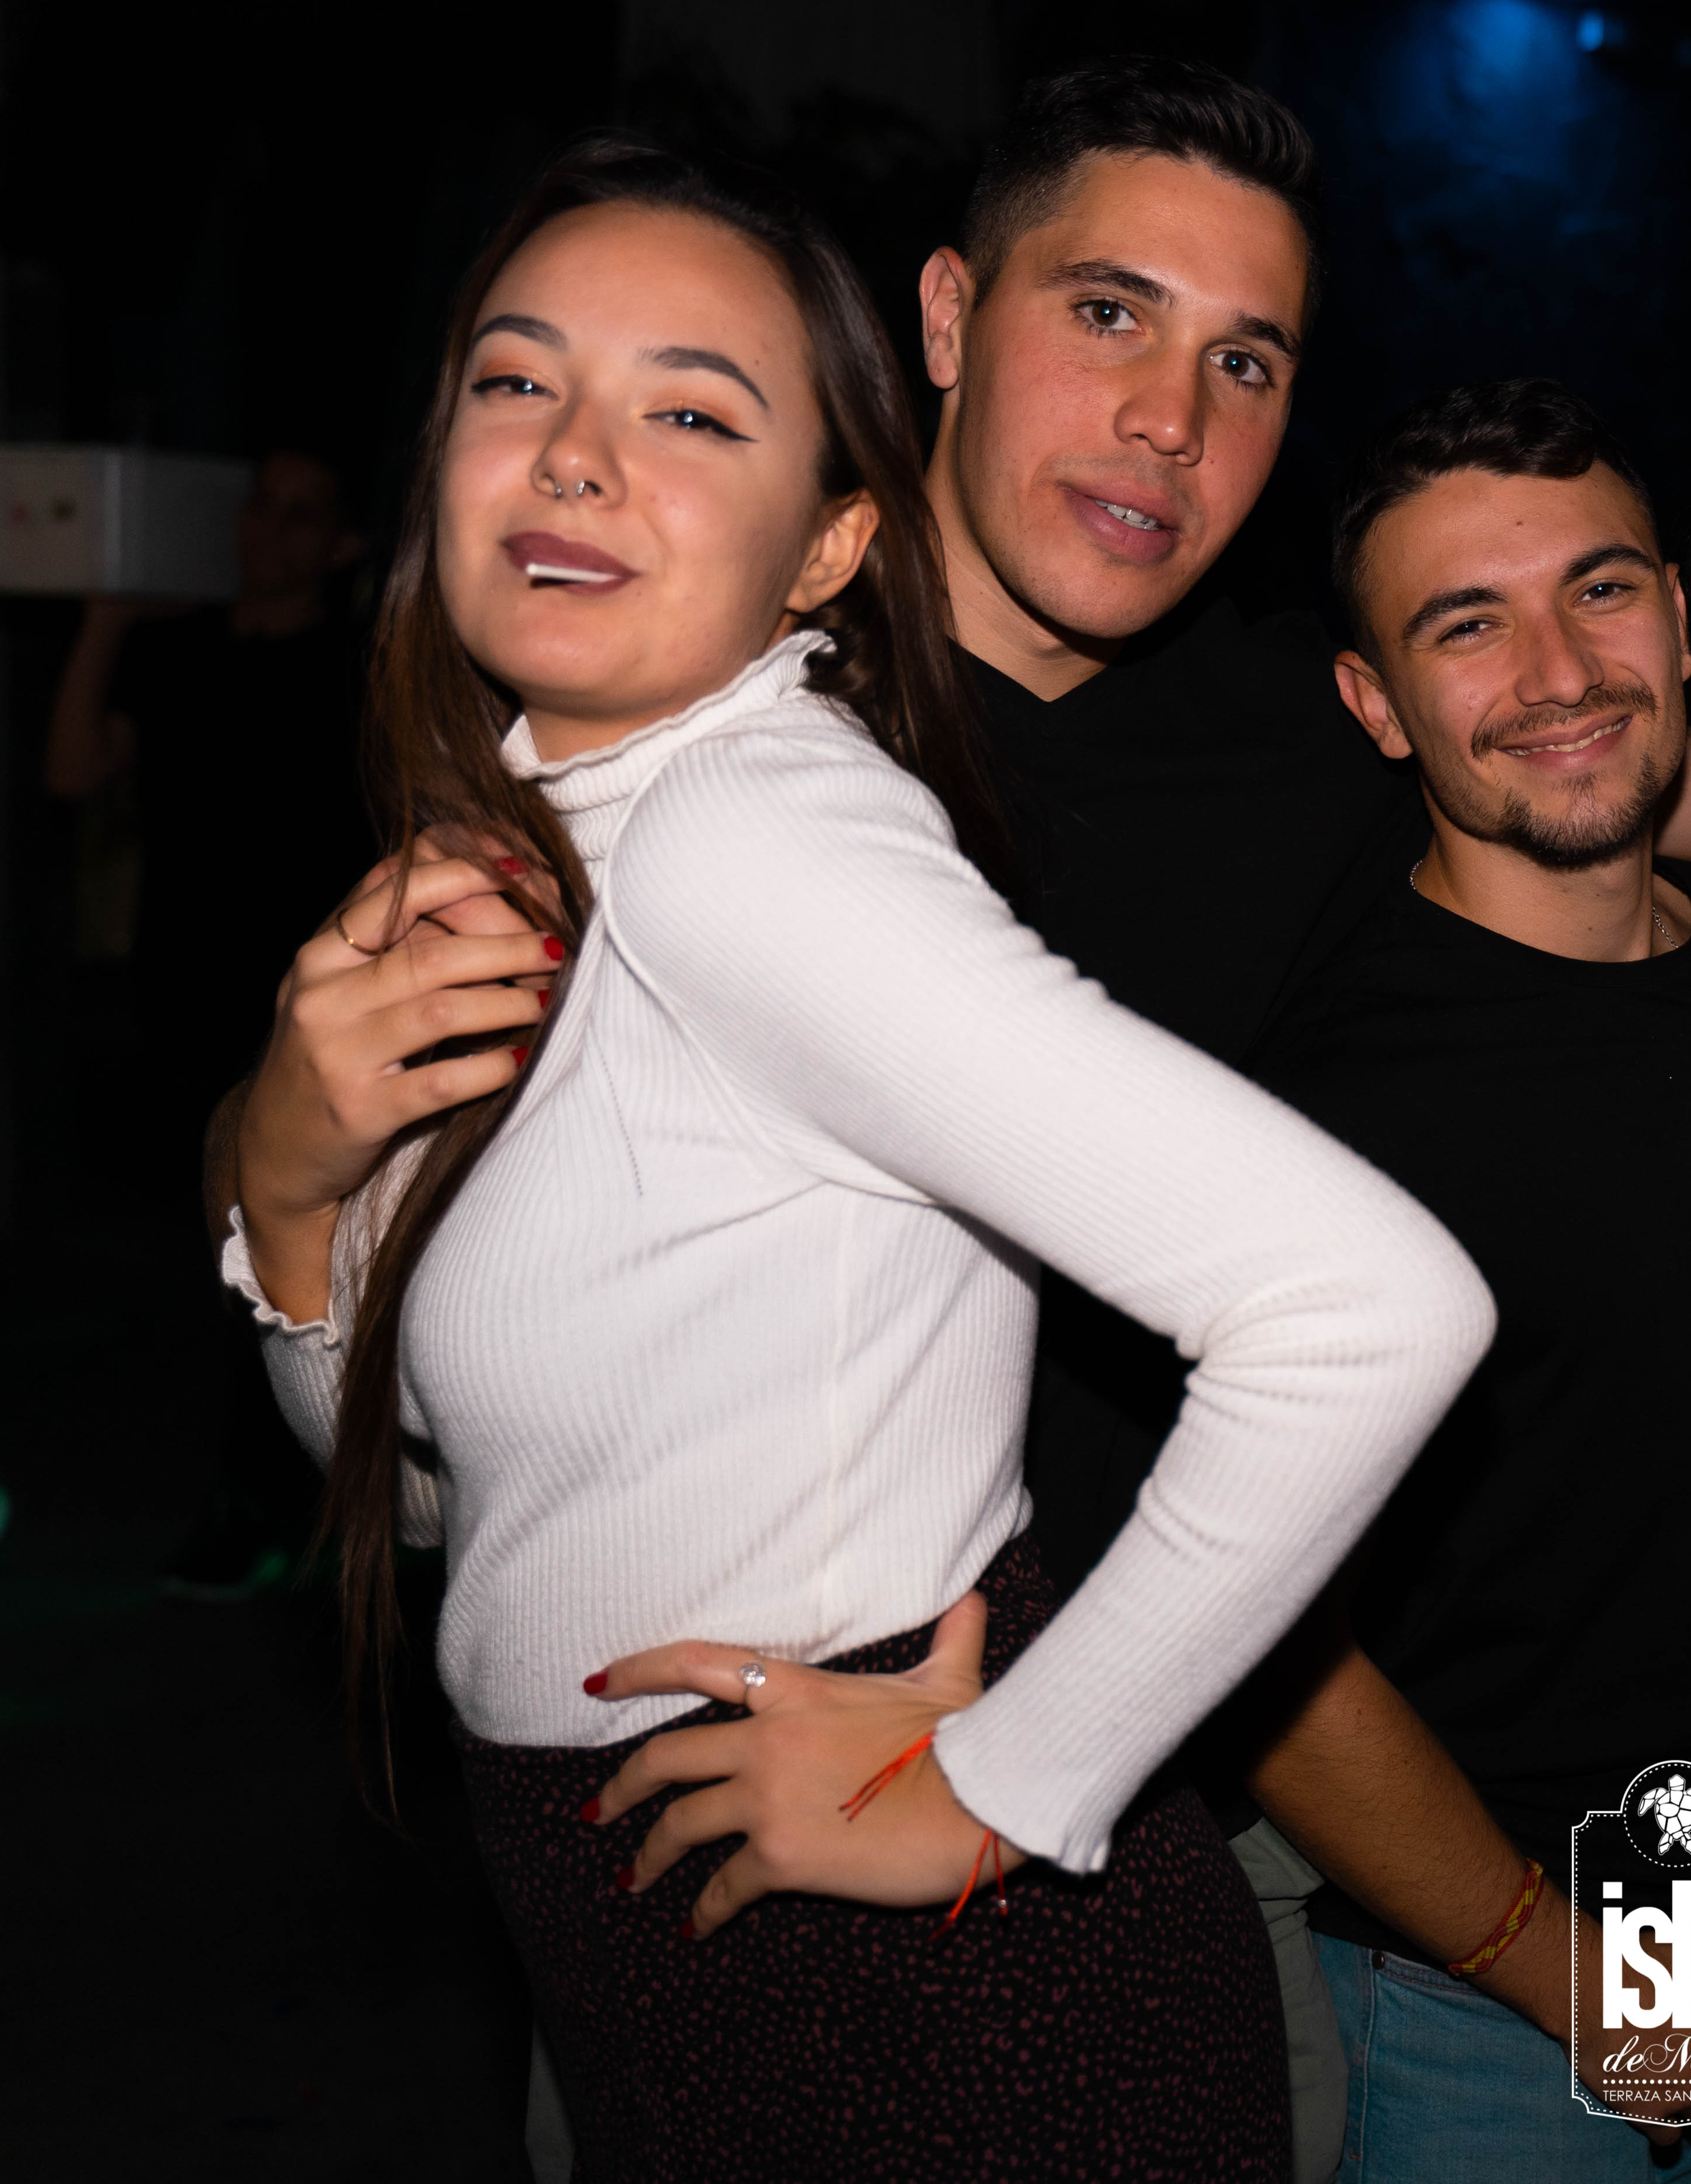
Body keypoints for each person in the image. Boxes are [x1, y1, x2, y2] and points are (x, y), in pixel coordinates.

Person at [218, 136, 1489, 2180]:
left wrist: (1009, 1778)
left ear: (825, 544)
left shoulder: (751, 838)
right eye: (519, 380)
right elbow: (468, 1502)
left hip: (919, 2011)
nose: (574, 456)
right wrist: (291, 1204)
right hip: (671, 1956)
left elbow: (1372, 1306)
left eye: (690, 413)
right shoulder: (540, 849)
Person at [1234, 378, 1691, 2182]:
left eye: (1600, 589)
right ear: (1373, 701)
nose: (1561, 671)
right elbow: (1254, 1633)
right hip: (1503, 2015)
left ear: (1683, 616)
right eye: (1466, 625)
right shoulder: (1322, 1106)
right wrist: (1588, 1986)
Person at [44, 447, 371, 1596]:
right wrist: (104, 623)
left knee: (278, 1255)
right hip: (182, 990)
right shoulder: (179, 652)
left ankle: (270, 1503)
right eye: (259, 507)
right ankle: (269, 1490)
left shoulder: (355, 667)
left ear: (340, 545)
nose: (269, 531)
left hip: (305, 1010)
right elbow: (72, 769)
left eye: (301, 514)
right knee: (214, 1262)